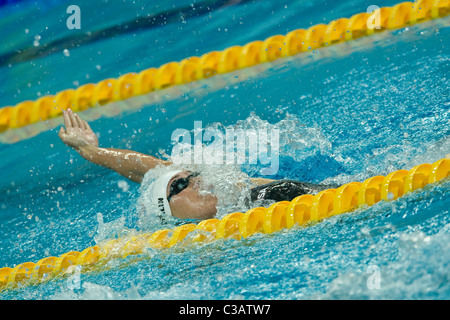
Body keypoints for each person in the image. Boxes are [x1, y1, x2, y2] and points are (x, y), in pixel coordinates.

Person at [58, 109, 336, 221]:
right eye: (180, 184)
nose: (196, 180)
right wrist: (88, 151)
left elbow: (150, 169)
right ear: (168, 212)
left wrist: (92, 151)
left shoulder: (251, 196)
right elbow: (152, 172)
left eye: (192, 175)